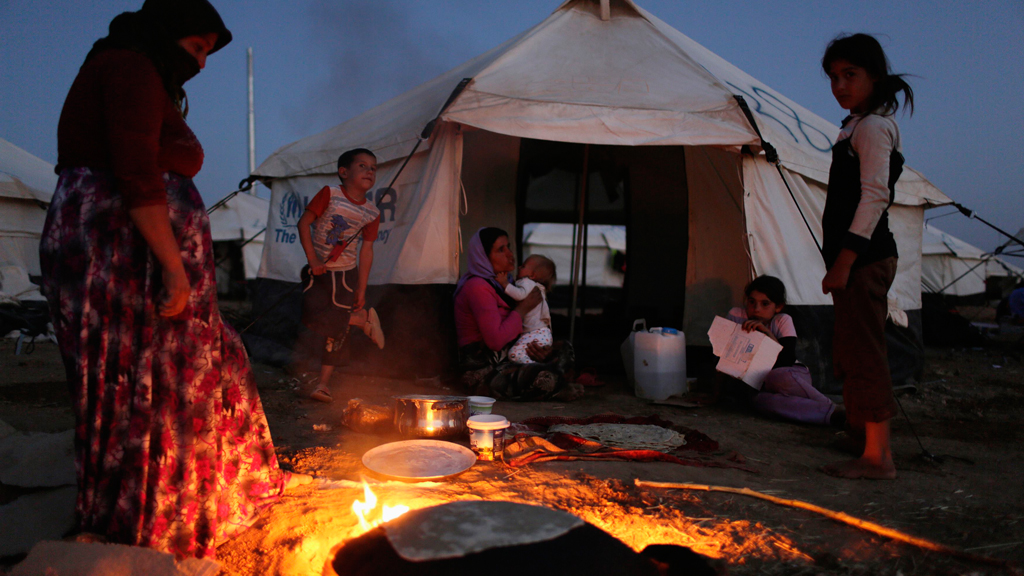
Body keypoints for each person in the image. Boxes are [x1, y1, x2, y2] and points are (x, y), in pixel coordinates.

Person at [39, 0, 308, 560]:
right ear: (167, 34)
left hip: (110, 242)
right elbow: (137, 174)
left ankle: (142, 507)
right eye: (197, 49)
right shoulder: (131, 66)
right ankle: (161, 520)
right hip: (121, 250)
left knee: (151, 377)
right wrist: (173, 268)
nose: (202, 66)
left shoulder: (123, 68)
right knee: (161, 379)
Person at [819, 33, 915, 480]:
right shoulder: (855, 126)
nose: (840, 84)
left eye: (850, 75)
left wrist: (844, 260)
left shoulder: (875, 127)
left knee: (865, 351)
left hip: (865, 258)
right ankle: (863, 439)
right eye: (834, 77)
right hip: (856, 258)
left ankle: (879, 458)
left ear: (874, 76)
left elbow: (875, 197)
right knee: (851, 349)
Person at [296, 148, 386, 403]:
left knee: (335, 332)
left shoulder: (372, 212)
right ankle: (361, 320)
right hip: (319, 270)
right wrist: (312, 259)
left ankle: (323, 384)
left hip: (346, 274)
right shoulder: (330, 194)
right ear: (344, 172)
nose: (369, 171)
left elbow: (366, 251)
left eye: (373, 168)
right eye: (362, 166)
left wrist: (361, 288)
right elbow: (304, 223)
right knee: (313, 316)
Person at [454, 228, 581, 401]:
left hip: (511, 360)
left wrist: (539, 351)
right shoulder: (477, 287)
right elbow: (496, 341)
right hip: (483, 370)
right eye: (501, 250)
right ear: (483, 256)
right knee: (541, 377)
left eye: (509, 247)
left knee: (564, 348)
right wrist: (522, 309)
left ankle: (555, 381)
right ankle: (556, 385)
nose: (510, 254)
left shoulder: (510, 284)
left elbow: (522, 332)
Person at [725, 276, 842, 426]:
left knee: (776, 376)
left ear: (778, 307)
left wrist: (767, 334)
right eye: (751, 302)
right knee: (762, 401)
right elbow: (723, 359)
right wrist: (714, 397)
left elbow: (786, 361)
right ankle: (833, 414)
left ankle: (828, 404)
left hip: (790, 375)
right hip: (760, 384)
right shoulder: (736, 316)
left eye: (765, 304)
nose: (756, 309)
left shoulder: (782, 320)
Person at [503, 255, 556, 364]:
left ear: (532, 275)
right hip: (543, 334)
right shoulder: (537, 287)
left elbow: (519, 295)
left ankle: (533, 367)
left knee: (514, 354)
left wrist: (504, 284)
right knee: (522, 354)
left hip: (534, 333)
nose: (518, 268)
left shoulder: (527, 282)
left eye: (523, 266)